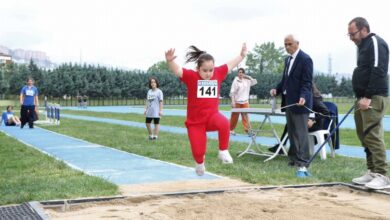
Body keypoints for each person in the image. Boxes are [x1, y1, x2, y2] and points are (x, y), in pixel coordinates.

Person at [165, 43, 247, 176]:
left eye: (211, 70)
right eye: (205, 70)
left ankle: (223, 151)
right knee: (198, 152)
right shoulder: (191, 77)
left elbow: (230, 64)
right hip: (196, 122)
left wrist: (241, 56)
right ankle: (199, 162)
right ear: (198, 69)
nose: (208, 74)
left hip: (212, 117)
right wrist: (170, 61)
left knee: (224, 123)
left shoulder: (218, 73)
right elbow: (178, 70)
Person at [348, 17, 390, 189]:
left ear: (364, 29)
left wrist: (367, 96)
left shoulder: (375, 42)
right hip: (362, 97)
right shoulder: (361, 47)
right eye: (349, 34)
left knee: (372, 135)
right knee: (363, 135)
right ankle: (372, 171)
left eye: (353, 34)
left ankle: (382, 174)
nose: (351, 38)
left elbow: (379, 69)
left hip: (374, 97)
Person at [270, 34, 313, 177]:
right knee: (292, 131)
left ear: (297, 43)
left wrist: (303, 96)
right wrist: (277, 89)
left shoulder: (306, 59)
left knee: (301, 133)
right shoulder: (288, 60)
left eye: (289, 44)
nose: (287, 47)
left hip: (300, 102)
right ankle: (294, 158)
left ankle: (304, 161)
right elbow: (285, 80)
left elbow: (307, 82)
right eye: (285, 45)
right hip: (288, 102)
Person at [269, 82, 329, 154]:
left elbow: (326, 113)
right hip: (304, 121)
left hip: (315, 124)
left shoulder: (314, 98)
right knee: (290, 123)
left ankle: (285, 147)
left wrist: (313, 120)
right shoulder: (300, 99)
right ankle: (282, 146)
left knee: (290, 124)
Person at [229, 68, 257, 135]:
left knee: (246, 117)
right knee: (234, 117)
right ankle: (230, 130)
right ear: (237, 73)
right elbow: (232, 92)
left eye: (242, 72)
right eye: (239, 72)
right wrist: (233, 101)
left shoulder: (247, 80)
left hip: (245, 102)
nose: (240, 74)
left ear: (244, 73)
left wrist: (248, 77)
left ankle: (248, 130)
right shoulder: (236, 80)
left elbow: (254, 82)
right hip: (237, 102)